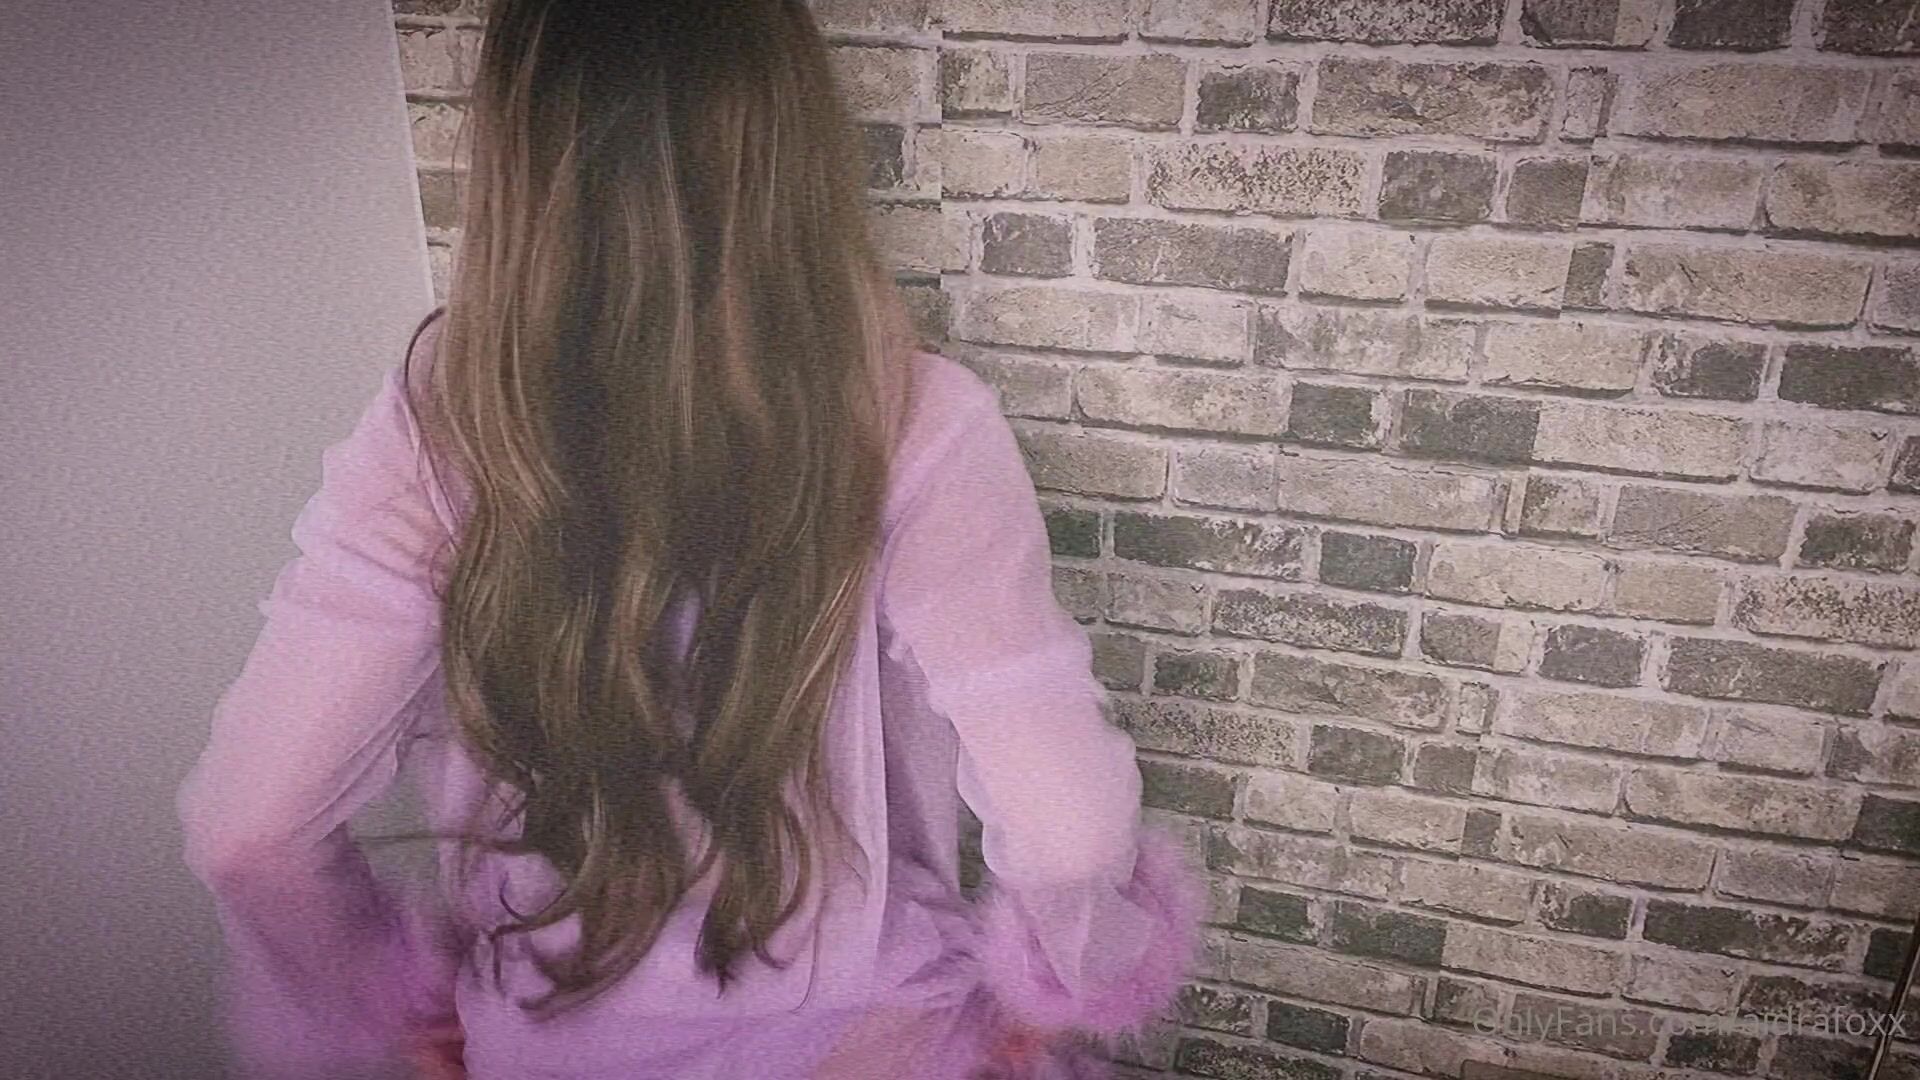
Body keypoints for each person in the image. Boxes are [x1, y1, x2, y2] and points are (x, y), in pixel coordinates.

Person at [175, 1, 1203, 1077]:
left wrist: (388, 993)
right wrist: (1065, 976)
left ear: (517, 151)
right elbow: (1070, 827)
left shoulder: (440, 428)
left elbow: (247, 826)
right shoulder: (918, 422)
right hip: (875, 1038)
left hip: (549, 1042)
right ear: (795, 136)